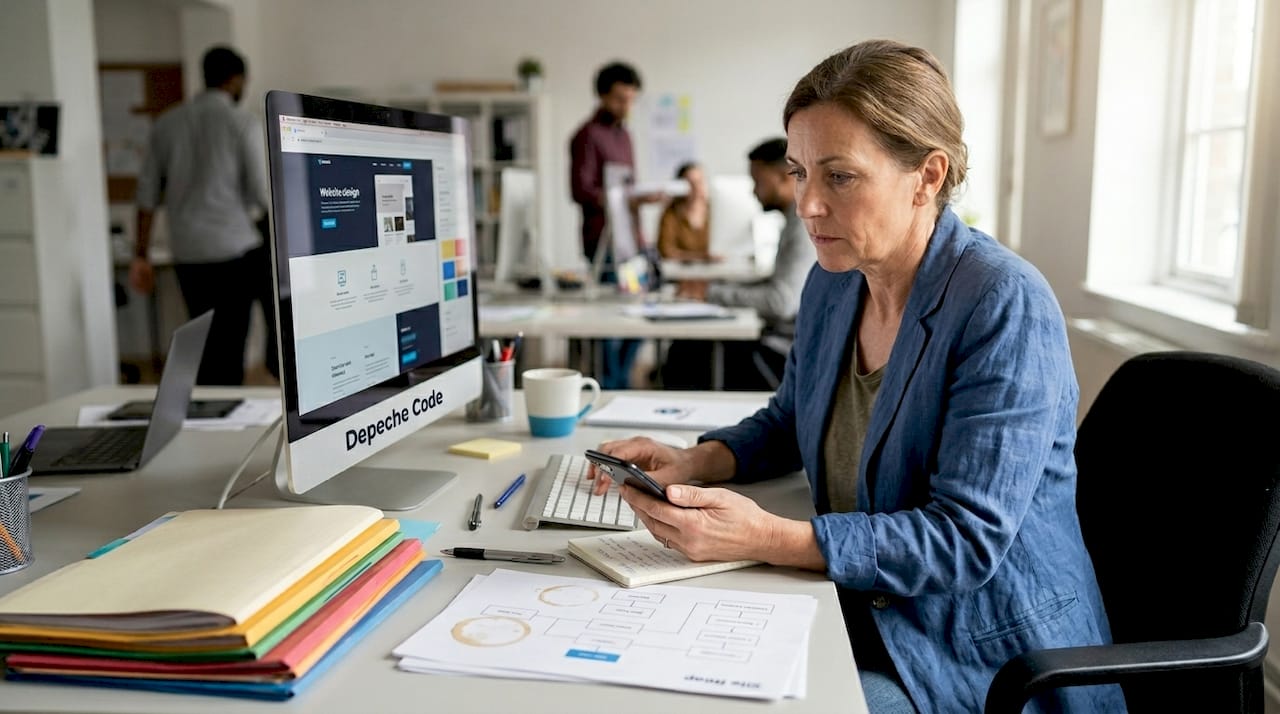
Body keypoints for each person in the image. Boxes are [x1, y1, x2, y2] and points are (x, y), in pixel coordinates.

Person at [593, 39, 1123, 713]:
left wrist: (767, 537)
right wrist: (698, 460)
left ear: (927, 176)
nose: (807, 205)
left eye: (839, 177)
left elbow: (963, 539)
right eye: (798, 173)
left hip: (975, 654)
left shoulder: (1002, 303)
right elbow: (791, 418)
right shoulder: (834, 282)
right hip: (864, 606)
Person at [131, 45, 278, 386]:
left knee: (205, 337)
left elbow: (146, 194)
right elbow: (262, 192)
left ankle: (213, 404)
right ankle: (245, 395)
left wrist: (141, 254)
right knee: (234, 338)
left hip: (188, 252)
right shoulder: (241, 122)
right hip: (234, 249)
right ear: (237, 80)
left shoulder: (167, 123)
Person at [660, 138, 817, 391]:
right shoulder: (792, 221)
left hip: (784, 353)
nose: (754, 192)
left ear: (783, 176)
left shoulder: (803, 226)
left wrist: (709, 292)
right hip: (779, 339)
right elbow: (779, 285)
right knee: (688, 346)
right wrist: (717, 287)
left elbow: (781, 301)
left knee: (688, 351)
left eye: (758, 181)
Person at [568, 61, 662, 389]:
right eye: (621, 99)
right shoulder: (587, 136)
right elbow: (582, 191)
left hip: (631, 242)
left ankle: (619, 380)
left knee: (639, 312)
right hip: (604, 244)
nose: (627, 106)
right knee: (610, 321)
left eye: (631, 99)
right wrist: (625, 198)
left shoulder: (625, 136)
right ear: (602, 96)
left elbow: (626, 189)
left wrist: (637, 198)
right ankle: (611, 385)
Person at [656, 162, 712, 262]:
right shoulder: (671, 213)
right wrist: (700, 257)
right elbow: (666, 251)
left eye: (699, 182)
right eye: (691, 183)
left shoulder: (714, 211)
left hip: (716, 273)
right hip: (681, 275)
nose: (696, 188)